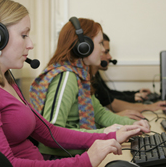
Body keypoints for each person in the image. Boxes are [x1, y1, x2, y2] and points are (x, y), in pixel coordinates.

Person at [0, 0, 150, 167]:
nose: (30, 44)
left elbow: (49, 131)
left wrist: (113, 134)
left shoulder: (6, 80)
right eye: (23, 35)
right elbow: (4, 164)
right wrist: (86, 160)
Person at [29, 17, 150, 157]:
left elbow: (99, 113)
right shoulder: (66, 77)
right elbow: (52, 132)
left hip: (76, 154)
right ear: (84, 47)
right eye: (100, 43)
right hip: (58, 158)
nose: (103, 49)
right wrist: (106, 133)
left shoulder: (80, 76)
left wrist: (134, 125)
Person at [90, 33, 166, 114]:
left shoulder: (95, 75)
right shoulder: (87, 78)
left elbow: (108, 95)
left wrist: (134, 94)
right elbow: (111, 103)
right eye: (105, 51)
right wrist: (149, 107)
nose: (110, 57)